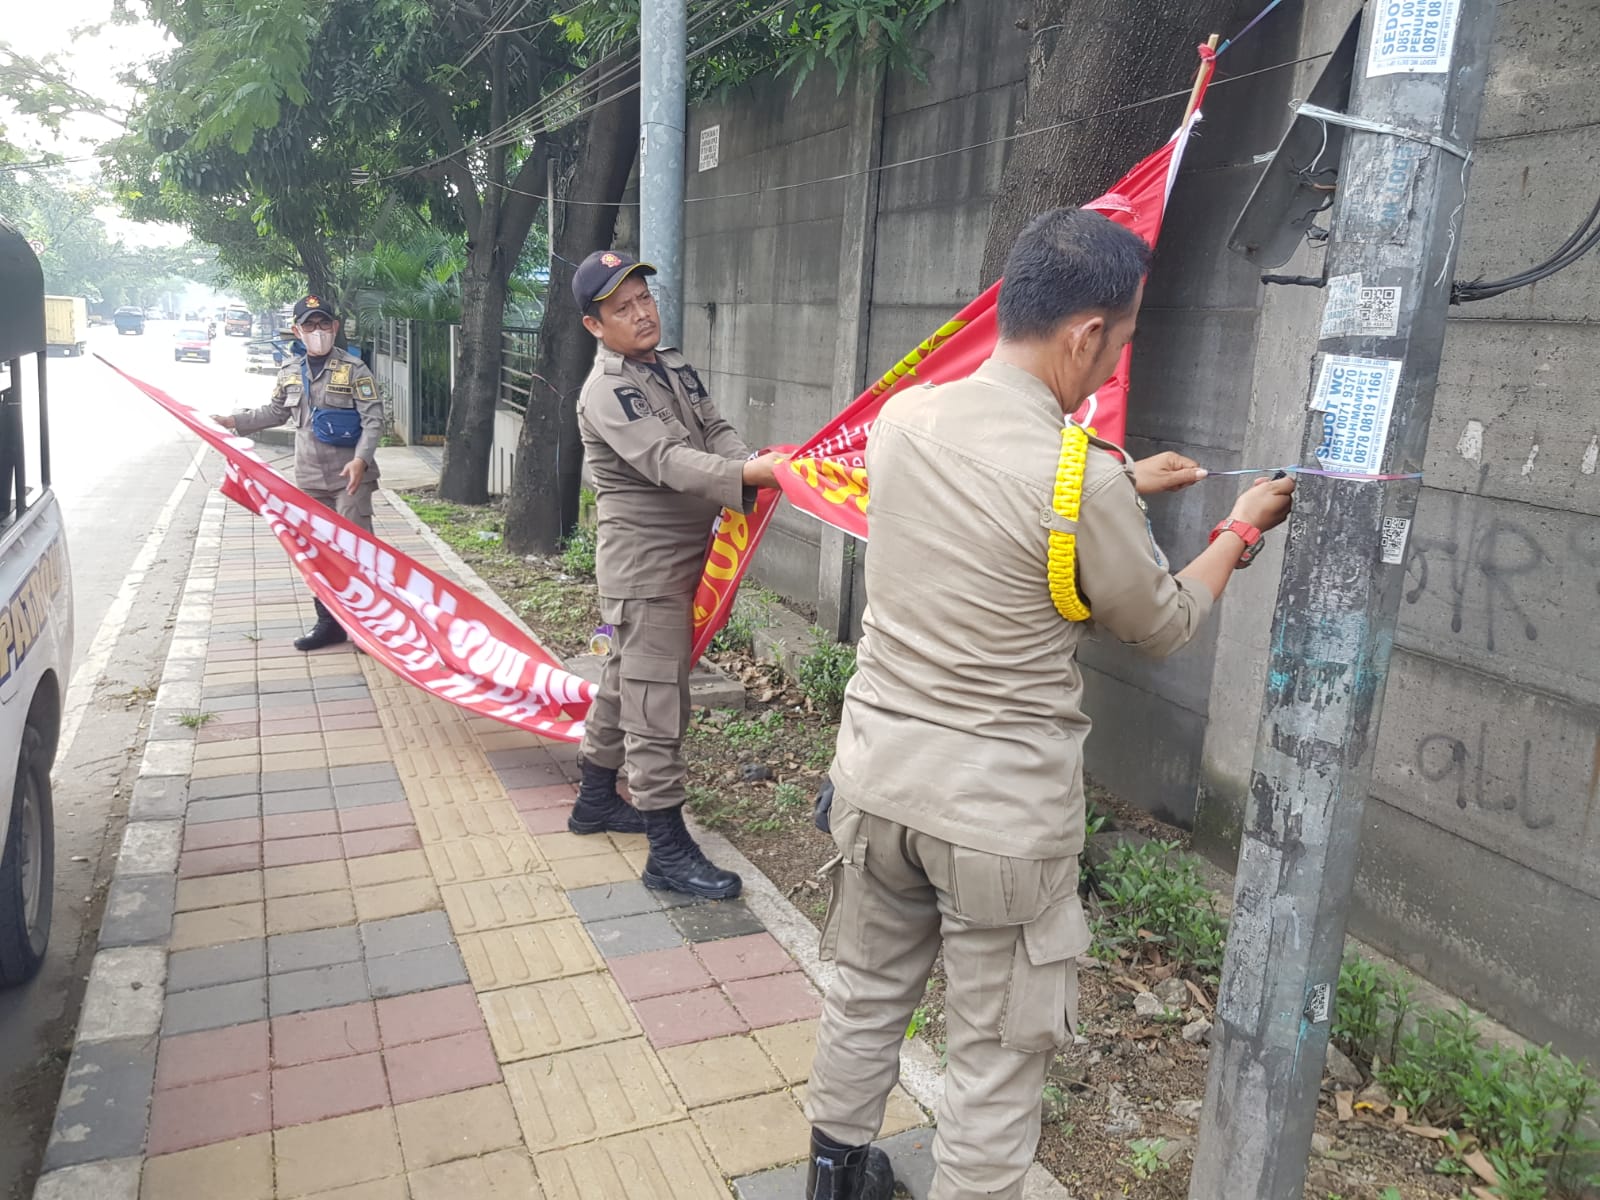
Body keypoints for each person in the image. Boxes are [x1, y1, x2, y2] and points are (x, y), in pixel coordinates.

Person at [799, 208, 1296, 1200]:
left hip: (875, 780)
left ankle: (833, 1178)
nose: (1114, 359)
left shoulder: (905, 420)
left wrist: (1111, 477)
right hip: (994, 822)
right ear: (1083, 337)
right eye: (1119, 339)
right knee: (992, 1054)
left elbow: (1001, 507)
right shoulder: (1081, 486)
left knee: (862, 993)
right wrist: (1237, 533)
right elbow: (1157, 624)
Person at [568, 248, 787, 897]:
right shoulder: (607, 391)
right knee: (657, 699)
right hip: (645, 571)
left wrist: (745, 458)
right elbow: (667, 460)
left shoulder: (672, 366)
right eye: (622, 308)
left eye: (644, 299)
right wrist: (750, 476)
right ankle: (666, 848)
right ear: (594, 326)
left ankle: (594, 802)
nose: (641, 314)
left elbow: (713, 429)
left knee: (622, 679)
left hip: (678, 559)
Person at [213, 295, 384, 651]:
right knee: (317, 555)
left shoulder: (355, 370)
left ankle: (369, 626)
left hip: (350, 480)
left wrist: (361, 460)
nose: (317, 331)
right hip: (308, 479)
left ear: (335, 328)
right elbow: (275, 412)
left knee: (355, 552)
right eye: (310, 325)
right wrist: (234, 422)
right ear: (297, 330)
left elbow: (373, 421)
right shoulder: (290, 371)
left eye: (324, 324)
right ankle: (329, 623)